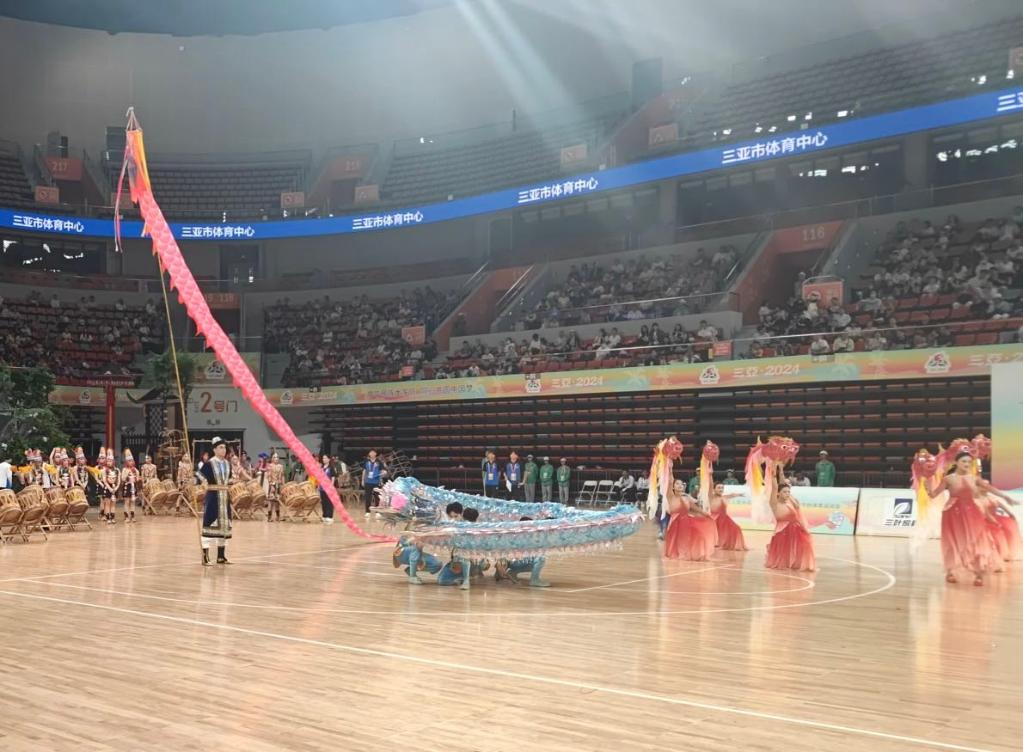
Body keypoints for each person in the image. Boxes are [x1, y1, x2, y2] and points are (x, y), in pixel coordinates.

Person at [925, 451, 1011, 585]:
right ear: (956, 463)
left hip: (972, 513)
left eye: (969, 462)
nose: (967, 464)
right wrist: (927, 484)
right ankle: (950, 572)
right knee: (953, 542)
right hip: (952, 513)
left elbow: (989, 488)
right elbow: (933, 495)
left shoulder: (974, 478)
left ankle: (978, 573)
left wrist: (1005, 497)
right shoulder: (948, 479)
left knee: (975, 540)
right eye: (964, 461)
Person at [765, 468, 816, 571]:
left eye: (789, 492)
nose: (787, 494)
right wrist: (773, 474)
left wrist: (781, 471)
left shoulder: (790, 501)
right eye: (785, 492)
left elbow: (784, 485)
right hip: (782, 531)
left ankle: (796, 564)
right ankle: (785, 564)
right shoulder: (774, 504)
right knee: (783, 551)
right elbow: (775, 487)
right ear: (778, 493)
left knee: (803, 546)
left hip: (795, 529)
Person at [663, 479, 717, 561]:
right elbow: (670, 482)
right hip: (675, 523)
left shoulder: (687, 498)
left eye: (681, 484)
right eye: (677, 484)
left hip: (686, 522)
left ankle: (695, 554)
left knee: (698, 536)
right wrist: (669, 471)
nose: (680, 485)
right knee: (679, 540)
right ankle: (680, 554)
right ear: (673, 487)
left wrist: (705, 514)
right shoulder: (671, 497)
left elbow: (695, 508)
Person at [198, 437, 233, 565]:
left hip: (225, 497)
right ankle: (205, 556)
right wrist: (203, 483)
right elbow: (200, 475)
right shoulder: (209, 464)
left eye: (224, 447)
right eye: (220, 447)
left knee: (224, 526)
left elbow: (229, 479)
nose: (223, 450)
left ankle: (221, 556)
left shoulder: (228, 464)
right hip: (213, 497)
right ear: (214, 450)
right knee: (209, 523)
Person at [494, 517, 550, 587]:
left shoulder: (520, 534)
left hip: (511, 561)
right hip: (512, 561)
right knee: (540, 559)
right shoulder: (521, 536)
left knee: (535, 560)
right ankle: (534, 580)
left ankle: (512, 572)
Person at [709, 481, 748, 551]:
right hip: (715, 518)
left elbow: (732, 495)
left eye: (722, 488)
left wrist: (739, 494)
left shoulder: (724, 497)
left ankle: (727, 544)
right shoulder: (711, 497)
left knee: (736, 528)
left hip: (725, 519)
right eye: (719, 488)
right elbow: (710, 486)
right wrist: (709, 476)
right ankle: (717, 544)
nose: (721, 489)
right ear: (714, 489)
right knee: (718, 532)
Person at [98, 449, 120, 525]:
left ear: (113, 461)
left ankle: (113, 517)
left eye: (110, 461)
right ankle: (108, 518)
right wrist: (109, 488)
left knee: (113, 504)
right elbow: (104, 480)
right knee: (107, 503)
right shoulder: (104, 470)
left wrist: (116, 487)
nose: (109, 462)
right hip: (107, 488)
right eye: (108, 461)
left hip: (114, 488)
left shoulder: (117, 470)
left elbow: (119, 480)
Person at [120, 449, 140, 524]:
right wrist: (128, 472)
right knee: (127, 502)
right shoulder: (124, 469)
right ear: (126, 462)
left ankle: (133, 515)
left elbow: (137, 478)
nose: (130, 462)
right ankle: (126, 516)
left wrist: (137, 479)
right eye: (129, 461)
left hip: (133, 487)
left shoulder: (136, 470)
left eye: (131, 460)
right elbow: (123, 478)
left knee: (133, 502)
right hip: (127, 487)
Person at [361, 450, 383, 517]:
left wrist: (382, 475)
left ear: (375, 454)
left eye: (373, 452)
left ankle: (377, 512)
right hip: (368, 481)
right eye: (371, 452)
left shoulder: (379, 462)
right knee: (368, 497)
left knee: (377, 497)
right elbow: (364, 471)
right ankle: (367, 511)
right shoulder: (366, 462)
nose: (372, 454)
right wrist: (362, 480)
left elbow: (382, 471)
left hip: (376, 482)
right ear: (369, 454)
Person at [266, 452, 285, 522]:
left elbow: (282, 476)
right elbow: (268, 476)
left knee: (277, 501)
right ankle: (269, 517)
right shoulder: (270, 466)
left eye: (277, 457)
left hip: (278, 485)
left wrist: (283, 485)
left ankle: (278, 516)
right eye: (274, 457)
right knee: (271, 501)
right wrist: (271, 485)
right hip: (272, 485)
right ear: (272, 458)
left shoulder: (281, 466)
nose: (276, 458)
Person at [319, 453, 335, 524]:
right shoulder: (322, 467)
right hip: (322, 487)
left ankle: (330, 516)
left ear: (329, 459)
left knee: (329, 502)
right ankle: (324, 515)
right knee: (323, 502)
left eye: (325, 458)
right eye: (323, 458)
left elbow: (333, 477)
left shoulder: (331, 467)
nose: (324, 459)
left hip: (328, 487)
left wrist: (331, 485)